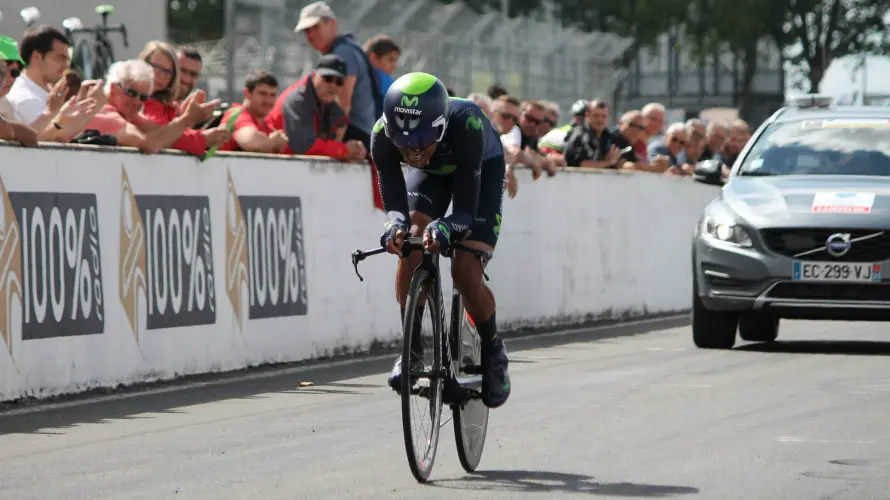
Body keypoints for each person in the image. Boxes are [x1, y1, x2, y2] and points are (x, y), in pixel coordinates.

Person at [371, 71, 510, 409]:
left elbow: (464, 212)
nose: (414, 152)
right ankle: (412, 348)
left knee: (465, 269)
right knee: (411, 241)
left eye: (422, 141)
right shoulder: (382, 136)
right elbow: (394, 205)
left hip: (478, 168)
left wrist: (447, 228)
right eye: (404, 144)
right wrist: (395, 227)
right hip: (433, 178)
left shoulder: (467, 126)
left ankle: (493, 351)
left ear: (441, 126)